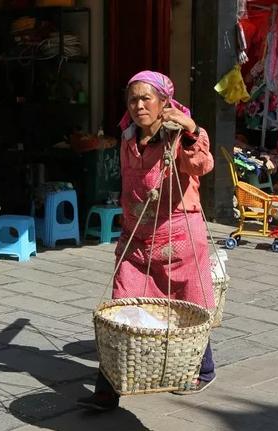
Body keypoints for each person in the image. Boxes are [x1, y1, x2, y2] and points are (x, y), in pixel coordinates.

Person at [77, 71, 216, 412]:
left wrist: (191, 130)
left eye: (146, 99)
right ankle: (108, 389)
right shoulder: (127, 137)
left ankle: (203, 367)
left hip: (179, 237)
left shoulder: (180, 135)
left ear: (164, 103)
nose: (138, 105)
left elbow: (202, 164)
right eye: (132, 99)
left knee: (189, 309)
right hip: (136, 239)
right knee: (120, 309)